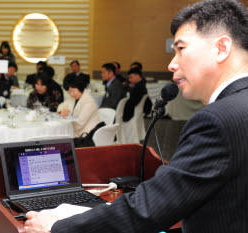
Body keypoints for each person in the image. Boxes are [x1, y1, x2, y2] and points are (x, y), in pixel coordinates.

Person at [24, 0, 248, 233]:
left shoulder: (216, 120)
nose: (172, 64)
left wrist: (58, 227)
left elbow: (149, 209)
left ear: (221, 48)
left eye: (181, 49)